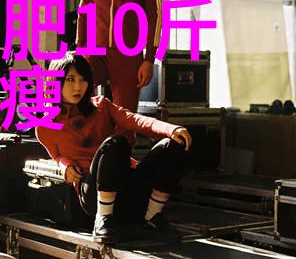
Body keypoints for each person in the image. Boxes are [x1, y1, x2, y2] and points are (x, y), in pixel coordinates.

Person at [36, 53, 191, 242]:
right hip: (94, 195)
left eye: (83, 80)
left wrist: (170, 129)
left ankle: (152, 216)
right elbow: (57, 156)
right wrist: (65, 165)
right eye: (70, 79)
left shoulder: (101, 106)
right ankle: (103, 221)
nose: (78, 87)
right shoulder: (45, 127)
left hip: (126, 189)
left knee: (173, 144)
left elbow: (134, 119)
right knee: (116, 143)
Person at [76, 0, 162, 144]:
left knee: (125, 117)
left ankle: (121, 161)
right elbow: (84, 13)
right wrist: (80, 50)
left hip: (127, 53)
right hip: (93, 51)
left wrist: (148, 59)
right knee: (78, 101)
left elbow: (155, 16)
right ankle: (83, 155)